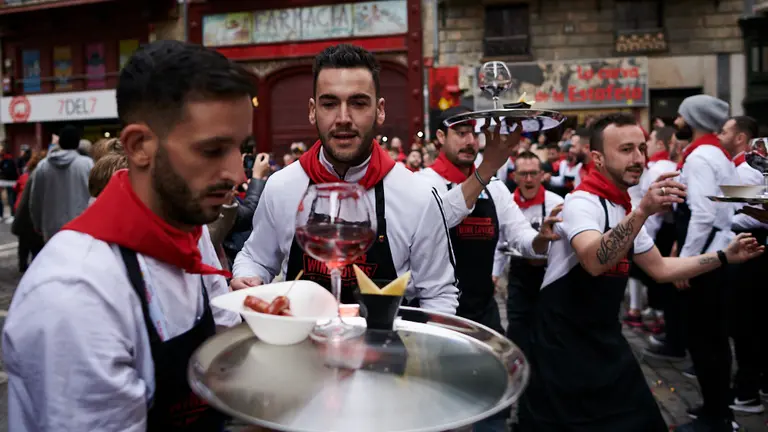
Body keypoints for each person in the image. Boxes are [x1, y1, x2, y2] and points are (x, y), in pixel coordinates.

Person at [2, 40, 251, 431]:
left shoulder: (188, 223)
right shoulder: (77, 294)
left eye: (240, 148)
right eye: (212, 150)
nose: (237, 175)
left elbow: (219, 317)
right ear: (139, 146)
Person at [517, 113, 763, 432]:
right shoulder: (581, 203)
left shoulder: (623, 208)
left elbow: (661, 269)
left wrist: (723, 256)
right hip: (562, 350)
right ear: (598, 159)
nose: (637, 158)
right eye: (626, 149)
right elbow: (594, 259)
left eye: (641, 148)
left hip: (606, 343)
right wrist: (644, 211)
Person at [232, 44, 459, 313]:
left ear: (380, 110)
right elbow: (256, 258)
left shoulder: (417, 196)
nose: (343, 118)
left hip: (386, 348)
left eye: (358, 103)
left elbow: (439, 295)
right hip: (298, 347)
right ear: (313, 111)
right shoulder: (281, 186)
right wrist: (248, 276)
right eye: (329, 104)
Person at [417, 106, 560, 333]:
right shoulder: (423, 183)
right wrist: (488, 167)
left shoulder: (495, 188)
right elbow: (441, 219)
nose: (470, 141)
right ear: (441, 137)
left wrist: (541, 239)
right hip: (438, 314)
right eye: (461, 133)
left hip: (484, 312)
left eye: (474, 134)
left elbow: (521, 237)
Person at [673, 95, 742, 431]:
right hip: (719, 253)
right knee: (712, 338)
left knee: (704, 340)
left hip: (709, 259)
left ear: (694, 120)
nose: (676, 121)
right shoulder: (716, 154)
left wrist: (687, 263)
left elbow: (702, 214)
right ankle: (716, 407)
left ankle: (717, 417)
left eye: (681, 115)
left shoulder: (701, 157)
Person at [718, 116, 768, 415]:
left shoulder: (751, 166)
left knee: (748, 322)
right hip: (752, 247)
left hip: (753, 250)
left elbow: (753, 210)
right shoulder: (747, 163)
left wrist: (723, 223)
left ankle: (749, 388)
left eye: (725, 130)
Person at [499, 150, 563, 355]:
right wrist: (493, 274)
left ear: (542, 175)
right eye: (523, 174)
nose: (529, 179)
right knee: (518, 329)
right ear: (514, 176)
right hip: (519, 273)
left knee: (550, 330)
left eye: (534, 173)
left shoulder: (556, 203)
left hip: (550, 274)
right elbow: (498, 242)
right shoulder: (507, 203)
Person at [28, 125, 93, 242]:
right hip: (82, 228)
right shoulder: (87, 164)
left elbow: (35, 199)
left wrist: (37, 223)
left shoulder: (43, 166)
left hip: (51, 229)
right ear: (77, 143)